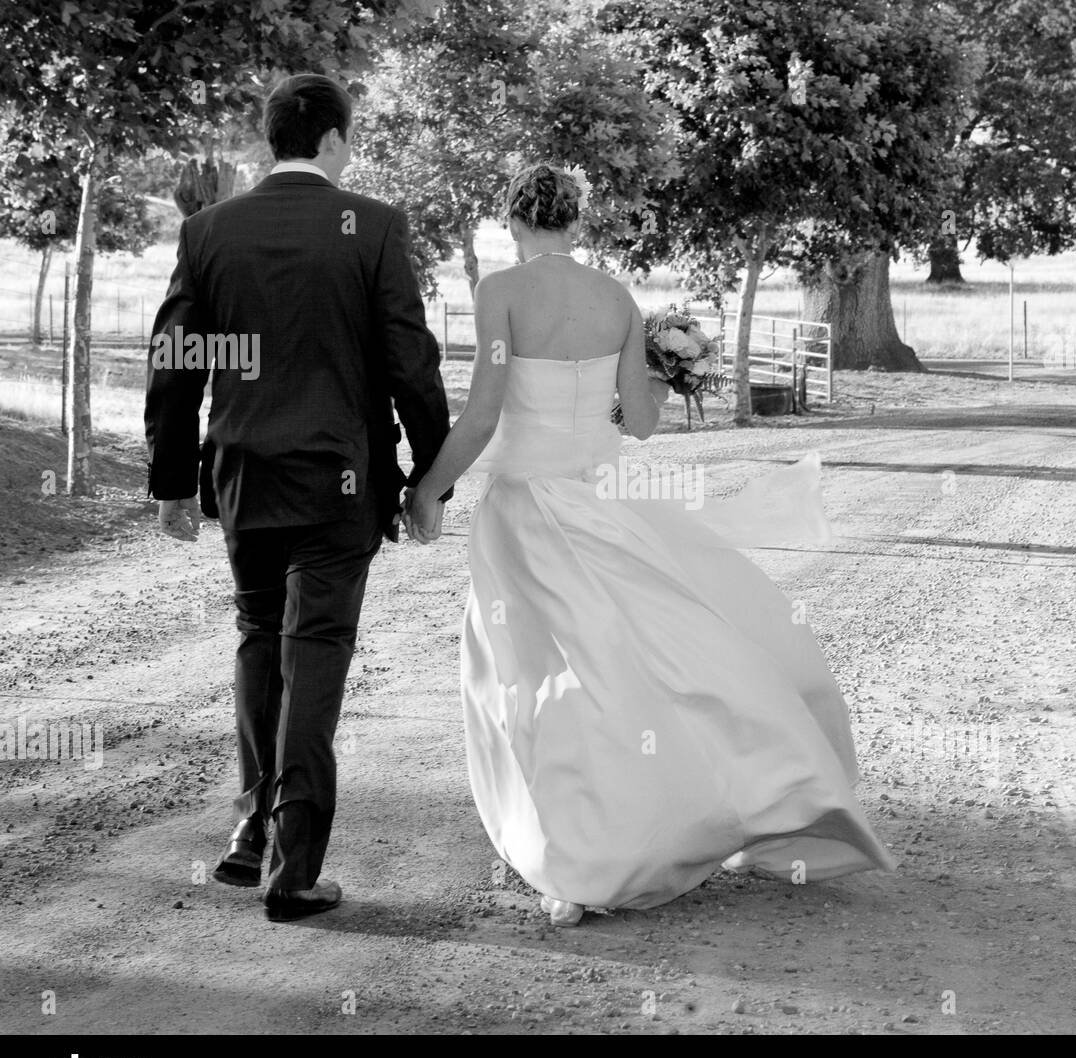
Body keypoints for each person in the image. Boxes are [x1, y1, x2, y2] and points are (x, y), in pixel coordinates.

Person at [404, 163, 895, 926]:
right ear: (578, 221)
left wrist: (427, 489)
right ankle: (673, 817)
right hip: (603, 501)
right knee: (627, 664)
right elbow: (636, 423)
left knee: (531, 675)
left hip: (527, 508)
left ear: (513, 219)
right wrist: (671, 375)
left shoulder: (500, 292)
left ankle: (573, 851)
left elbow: (481, 416)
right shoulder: (616, 298)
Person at [144, 73, 453, 922]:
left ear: (271, 139)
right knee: (313, 652)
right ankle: (295, 872)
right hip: (338, 482)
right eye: (349, 139)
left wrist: (172, 482)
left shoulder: (209, 231)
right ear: (331, 140)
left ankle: (250, 834)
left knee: (258, 639)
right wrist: (433, 477)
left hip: (244, 477)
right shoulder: (376, 229)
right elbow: (410, 364)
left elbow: (176, 364)